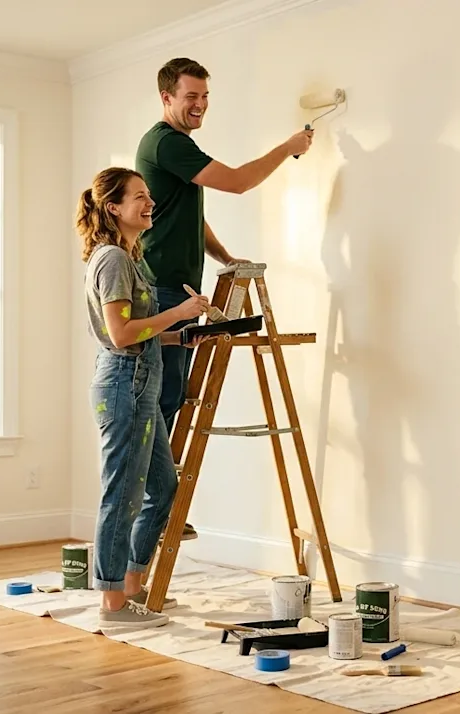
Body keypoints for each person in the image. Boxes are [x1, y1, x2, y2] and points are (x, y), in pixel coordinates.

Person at [134, 58, 315, 540]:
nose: (200, 105)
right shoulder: (166, 142)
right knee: (163, 401)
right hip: (162, 291)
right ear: (167, 98)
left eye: (205, 96)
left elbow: (186, 215)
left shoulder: (177, 148)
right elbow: (236, 182)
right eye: (191, 96)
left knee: (171, 397)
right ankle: (154, 511)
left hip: (177, 288)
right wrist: (289, 147)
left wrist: (225, 257)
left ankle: (158, 510)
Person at [77, 166, 211, 628]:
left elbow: (140, 334)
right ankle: (112, 603)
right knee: (123, 493)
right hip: (125, 383)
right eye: (139, 196)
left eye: (149, 195)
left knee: (162, 487)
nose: (150, 202)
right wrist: (179, 311)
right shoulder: (112, 258)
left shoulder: (130, 258)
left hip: (141, 381)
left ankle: (132, 584)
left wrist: (179, 336)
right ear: (113, 208)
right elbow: (120, 335)